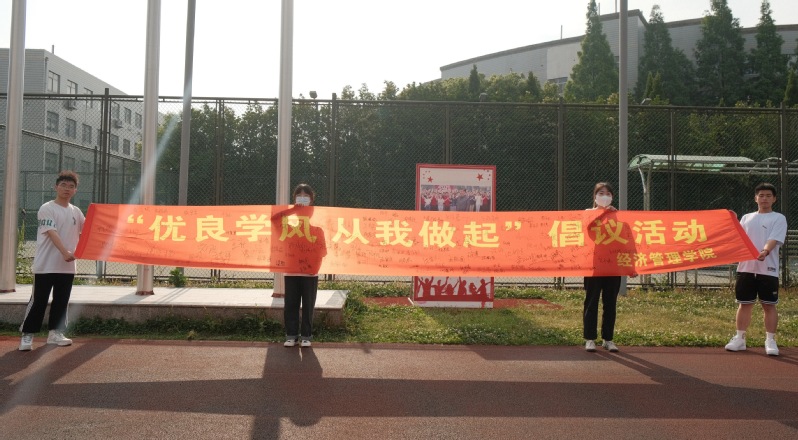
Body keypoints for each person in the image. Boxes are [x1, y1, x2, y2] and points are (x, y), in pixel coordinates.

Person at [19, 171, 85, 351]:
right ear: (56, 187)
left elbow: (88, 231)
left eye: (71, 186)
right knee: (39, 301)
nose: (67, 189)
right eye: (63, 185)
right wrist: (64, 252)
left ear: (75, 190)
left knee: (61, 301)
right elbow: (51, 232)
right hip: (45, 265)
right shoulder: (47, 208)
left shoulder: (76, 212)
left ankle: (55, 333)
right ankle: (27, 334)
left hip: (67, 266)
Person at [725, 182, 787, 356]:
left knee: (769, 305)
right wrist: (731, 220)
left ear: (774, 199)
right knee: (744, 304)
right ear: (755, 198)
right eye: (761, 195)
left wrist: (765, 251)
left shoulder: (778, 218)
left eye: (768, 196)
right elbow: (738, 237)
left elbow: (773, 239)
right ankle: (740, 339)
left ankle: (770, 340)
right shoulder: (746, 217)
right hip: (746, 268)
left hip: (768, 269)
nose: (764, 198)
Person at [282, 183, 324, 348]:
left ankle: (306, 336)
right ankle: (291, 335)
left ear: (312, 200)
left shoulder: (318, 228)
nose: (302, 198)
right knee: (290, 304)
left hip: (310, 273)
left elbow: (322, 251)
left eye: (306, 196)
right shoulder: (287, 225)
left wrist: (315, 267)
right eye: (299, 195)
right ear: (294, 199)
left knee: (308, 305)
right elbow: (274, 219)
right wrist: (293, 209)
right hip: (291, 271)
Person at [583, 182, 622, 353]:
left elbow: (626, 241)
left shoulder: (618, 216)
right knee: (591, 302)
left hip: (613, 266)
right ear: (595, 196)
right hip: (593, 265)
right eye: (601, 193)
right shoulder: (587, 213)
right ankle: (590, 339)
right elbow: (586, 229)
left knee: (610, 303)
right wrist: (603, 213)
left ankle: (608, 339)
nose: (604, 196)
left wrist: (630, 266)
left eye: (608, 193)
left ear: (612, 197)